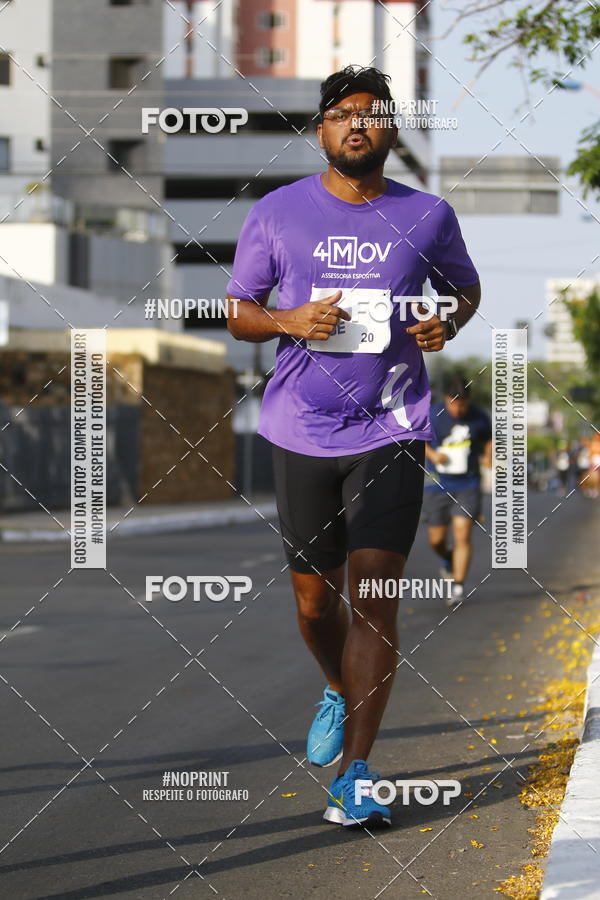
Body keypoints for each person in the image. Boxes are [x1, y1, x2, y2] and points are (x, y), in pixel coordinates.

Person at [226, 65, 480, 828]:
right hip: (300, 428)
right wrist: (288, 321)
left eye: (372, 113)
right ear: (322, 129)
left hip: (393, 427)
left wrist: (449, 324)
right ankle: (337, 686)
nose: (357, 124)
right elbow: (238, 310)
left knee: (374, 594)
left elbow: (463, 289)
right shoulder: (277, 212)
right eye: (342, 114)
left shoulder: (429, 214)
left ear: (392, 130)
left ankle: (356, 772)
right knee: (314, 602)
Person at [423, 374, 492, 608]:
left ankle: (458, 586)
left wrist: (489, 456)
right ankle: (447, 559)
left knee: (462, 533)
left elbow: (489, 439)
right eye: (455, 404)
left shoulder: (480, 417)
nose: (459, 409)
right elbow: (418, 438)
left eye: (464, 404)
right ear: (446, 399)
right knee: (436, 540)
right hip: (437, 484)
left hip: (468, 484)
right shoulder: (433, 415)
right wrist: (433, 455)